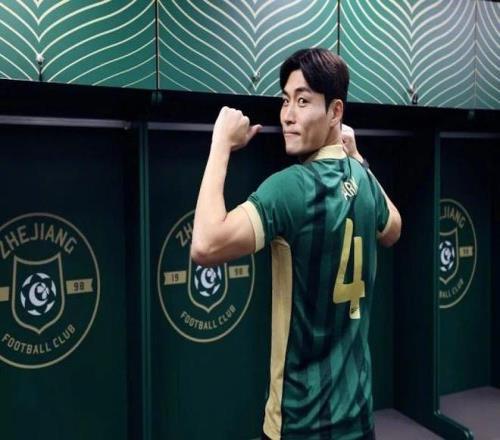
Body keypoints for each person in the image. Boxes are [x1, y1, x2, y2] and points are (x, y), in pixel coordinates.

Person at [191, 48, 401, 440]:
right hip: (359, 419)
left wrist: (220, 143)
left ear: (335, 112)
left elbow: (205, 244)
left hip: (299, 424)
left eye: (303, 101)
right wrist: (358, 159)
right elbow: (393, 228)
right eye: (285, 100)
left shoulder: (290, 187)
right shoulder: (364, 180)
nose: (288, 115)